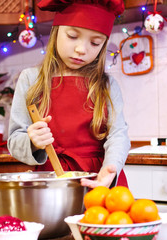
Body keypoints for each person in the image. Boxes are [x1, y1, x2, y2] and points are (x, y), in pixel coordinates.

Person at [7, 0, 130, 188]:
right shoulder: (31, 79)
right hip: (51, 181)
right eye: (72, 36)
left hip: (98, 180)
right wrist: (32, 142)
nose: (81, 49)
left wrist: (110, 168)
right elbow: (15, 141)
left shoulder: (107, 85)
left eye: (95, 43)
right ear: (56, 32)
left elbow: (118, 135)